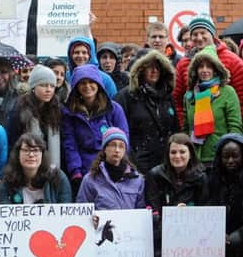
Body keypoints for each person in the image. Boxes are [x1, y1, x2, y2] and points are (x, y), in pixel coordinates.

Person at [62, 64, 129, 196]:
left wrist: (118, 166)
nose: (87, 86)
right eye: (83, 83)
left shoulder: (114, 109)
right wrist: (76, 172)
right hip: (83, 169)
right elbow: (70, 144)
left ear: (98, 84)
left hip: (111, 166)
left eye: (91, 82)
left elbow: (123, 140)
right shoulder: (69, 113)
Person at [115, 50, 179, 174]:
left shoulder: (167, 96)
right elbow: (119, 132)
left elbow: (175, 129)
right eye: (149, 67)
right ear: (140, 70)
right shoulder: (126, 96)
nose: (154, 71)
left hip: (166, 163)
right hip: (137, 164)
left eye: (158, 67)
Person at [173, 14, 243, 126]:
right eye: (195, 34)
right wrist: (185, 126)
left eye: (203, 33)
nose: (199, 38)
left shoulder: (233, 61)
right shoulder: (183, 64)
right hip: (194, 135)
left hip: (226, 135)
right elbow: (178, 100)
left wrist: (235, 133)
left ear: (212, 34)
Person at [183, 45, 242, 167]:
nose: (204, 70)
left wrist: (229, 155)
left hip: (221, 158)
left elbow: (235, 127)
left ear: (216, 69)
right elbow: (186, 128)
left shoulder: (227, 92)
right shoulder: (189, 96)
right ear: (195, 70)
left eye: (209, 66)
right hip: (195, 159)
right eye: (201, 66)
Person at [77, 127, 145, 210]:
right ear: (105, 149)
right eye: (113, 145)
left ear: (125, 151)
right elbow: (82, 212)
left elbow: (141, 212)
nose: (117, 150)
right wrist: (92, 219)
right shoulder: (90, 180)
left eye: (121, 146)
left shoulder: (137, 180)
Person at [8, 65, 61, 167]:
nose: (49, 90)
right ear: (33, 87)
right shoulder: (20, 109)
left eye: (52, 86)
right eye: (44, 85)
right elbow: (13, 143)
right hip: (26, 165)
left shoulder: (56, 109)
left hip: (52, 166)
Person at [0, 133, 71, 205]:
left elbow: (65, 211)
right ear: (18, 154)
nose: (31, 155)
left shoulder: (58, 177)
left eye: (36, 150)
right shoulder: (7, 181)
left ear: (42, 154)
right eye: (26, 150)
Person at [208, 133, 243, 257]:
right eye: (225, 157)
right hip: (220, 231)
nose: (230, 161)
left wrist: (236, 235)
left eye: (235, 156)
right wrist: (218, 232)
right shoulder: (212, 179)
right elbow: (208, 208)